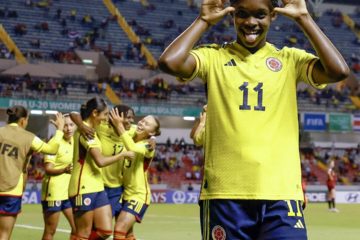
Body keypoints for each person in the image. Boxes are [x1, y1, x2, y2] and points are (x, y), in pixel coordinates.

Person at [158, 0, 349, 238]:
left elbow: (338, 71)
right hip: (225, 195)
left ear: (272, 16)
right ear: (233, 16)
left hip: (281, 195)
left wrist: (304, 18)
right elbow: (169, 62)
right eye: (242, 14)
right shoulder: (213, 56)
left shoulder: (289, 59)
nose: (251, 22)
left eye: (260, 15)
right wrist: (203, 20)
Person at [68, 97, 135, 240]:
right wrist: (123, 154)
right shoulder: (87, 133)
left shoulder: (93, 129)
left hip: (98, 187)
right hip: (83, 186)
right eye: (104, 114)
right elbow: (100, 161)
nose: (106, 118)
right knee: (83, 233)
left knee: (105, 231)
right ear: (94, 113)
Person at [0, 106, 64, 240]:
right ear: (23, 120)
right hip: (11, 191)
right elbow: (52, 149)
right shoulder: (29, 137)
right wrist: (59, 130)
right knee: (4, 234)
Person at [110, 109, 161, 240]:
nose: (142, 123)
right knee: (128, 235)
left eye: (147, 124)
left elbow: (132, 147)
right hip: (124, 192)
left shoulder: (148, 146)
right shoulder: (132, 131)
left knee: (119, 230)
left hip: (138, 195)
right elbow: (128, 127)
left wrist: (119, 126)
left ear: (151, 132)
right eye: (142, 120)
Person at [41, 114, 77, 240]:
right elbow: (48, 169)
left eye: (71, 125)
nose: (68, 128)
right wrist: (64, 170)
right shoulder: (54, 142)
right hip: (54, 192)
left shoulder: (75, 142)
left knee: (77, 228)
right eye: (65, 125)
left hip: (68, 193)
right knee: (50, 231)